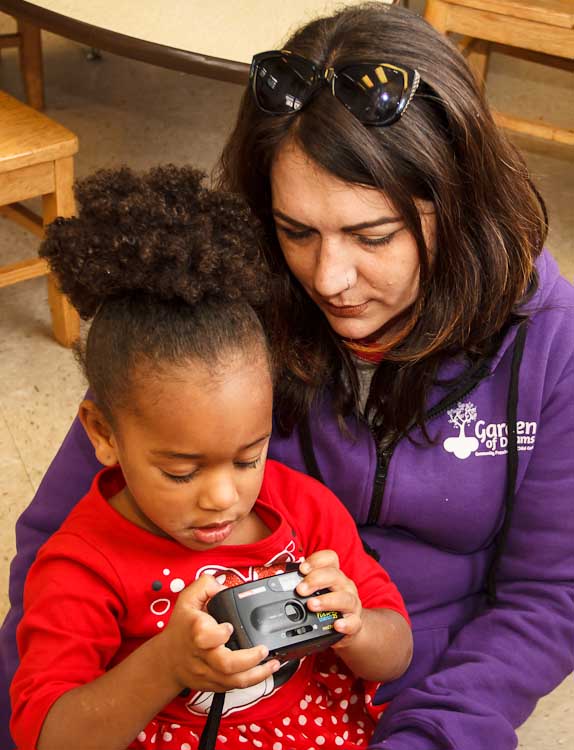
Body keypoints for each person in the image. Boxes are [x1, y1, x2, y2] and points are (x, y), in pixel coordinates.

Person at [1, 3, 573, 749]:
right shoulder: (214, 299)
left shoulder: (549, 337)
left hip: (427, 674)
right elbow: (58, 551)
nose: (330, 280)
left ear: (457, 207)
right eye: (296, 231)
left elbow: (547, 596)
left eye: (372, 236)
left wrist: (435, 731)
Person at [9, 165, 412, 750]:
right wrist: (166, 665)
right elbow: (47, 736)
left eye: (249, 458)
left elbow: (396, 654)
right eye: (181, 471)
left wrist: (353, 624)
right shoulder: (83, 565)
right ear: (104, 435)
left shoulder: (306, 512)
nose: (223, 496)